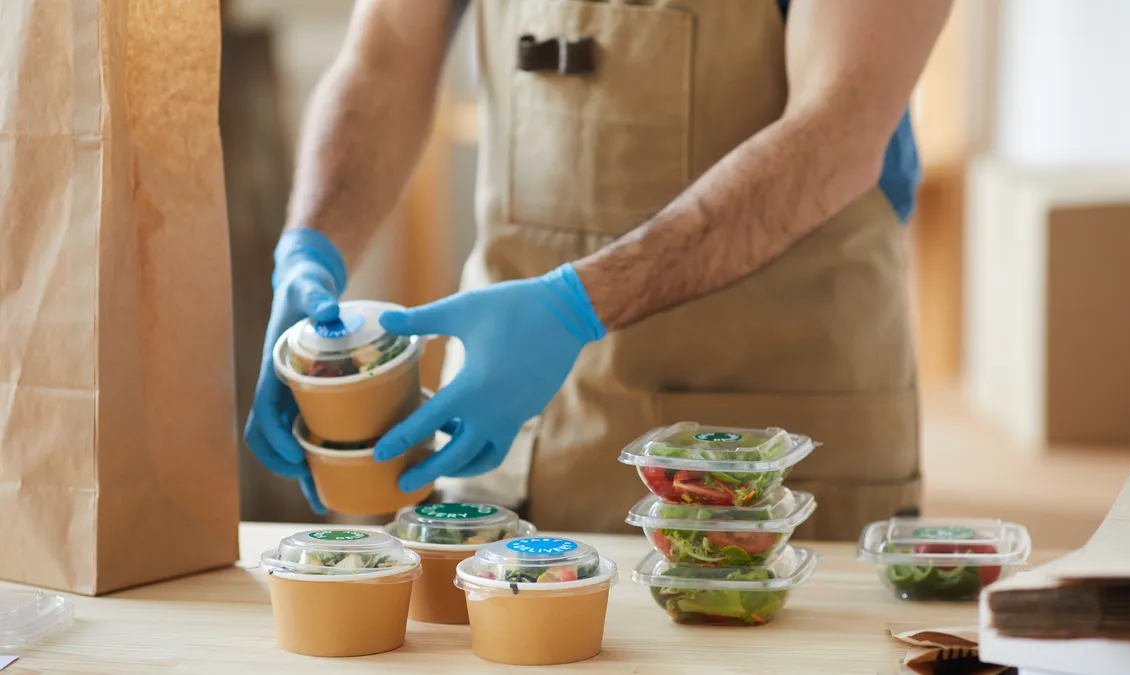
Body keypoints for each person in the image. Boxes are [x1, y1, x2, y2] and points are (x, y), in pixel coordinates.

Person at [245, 0, 951, 540]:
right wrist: (310, 248)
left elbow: (839, 129)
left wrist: (574, 306)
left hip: (767, 457)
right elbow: (386, 53)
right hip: (517, 444)